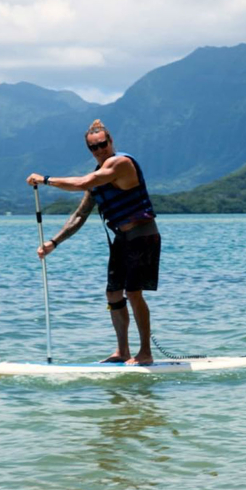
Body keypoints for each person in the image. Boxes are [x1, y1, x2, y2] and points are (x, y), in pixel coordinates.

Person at [26, 119, 161, 365]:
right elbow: (79, 215)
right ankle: (123, 351)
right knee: (112, 293)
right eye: (94, 148)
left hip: (142, 236)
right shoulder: (98, 180)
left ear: (111, 142)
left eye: (102, 144)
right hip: (122, 238)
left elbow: (82, 183)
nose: (99, 150)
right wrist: (53, 243)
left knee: (133, 292)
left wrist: (44, 179)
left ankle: (146, 353)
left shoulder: (120, 163)